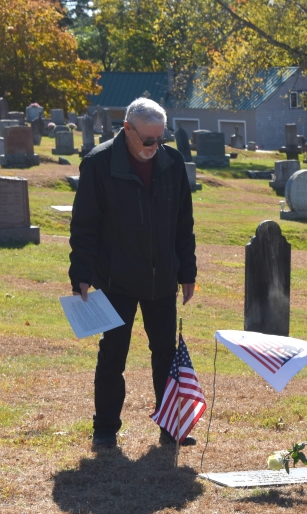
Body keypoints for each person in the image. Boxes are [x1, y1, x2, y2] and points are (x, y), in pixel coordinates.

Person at [68, 98, 197, 450]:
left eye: (160, 139)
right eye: (148, 140)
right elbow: (84, 225)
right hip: (115, 280)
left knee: (165, 354)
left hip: (161, 279)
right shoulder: (98, 163)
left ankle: (171, 427)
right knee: (113, 356)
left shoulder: (172, 162)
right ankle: (105, 429)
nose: (155, 148)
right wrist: (81, 272)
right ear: (126, 129)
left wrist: (187, 270)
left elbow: (183, 224)